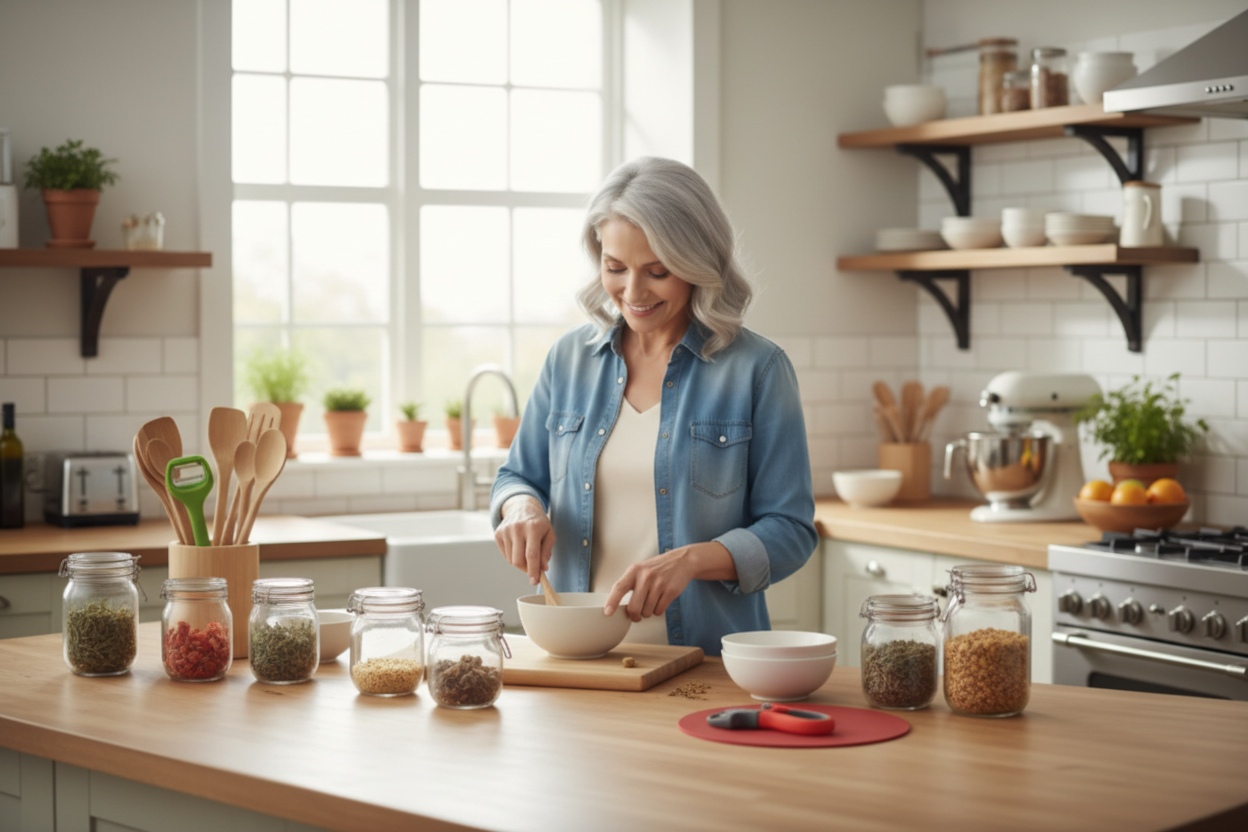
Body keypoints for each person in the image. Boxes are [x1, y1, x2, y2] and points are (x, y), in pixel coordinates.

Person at [490, 156, 817, 657]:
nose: (632, 292)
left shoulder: (758, 369)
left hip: (704, 662)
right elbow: (518, 477)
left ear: (698, 264)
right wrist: (521, 509)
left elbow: (791, 530)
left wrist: (689, 561)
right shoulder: (569, 360)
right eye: (615, 268)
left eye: (658, 272)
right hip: (580, 658)